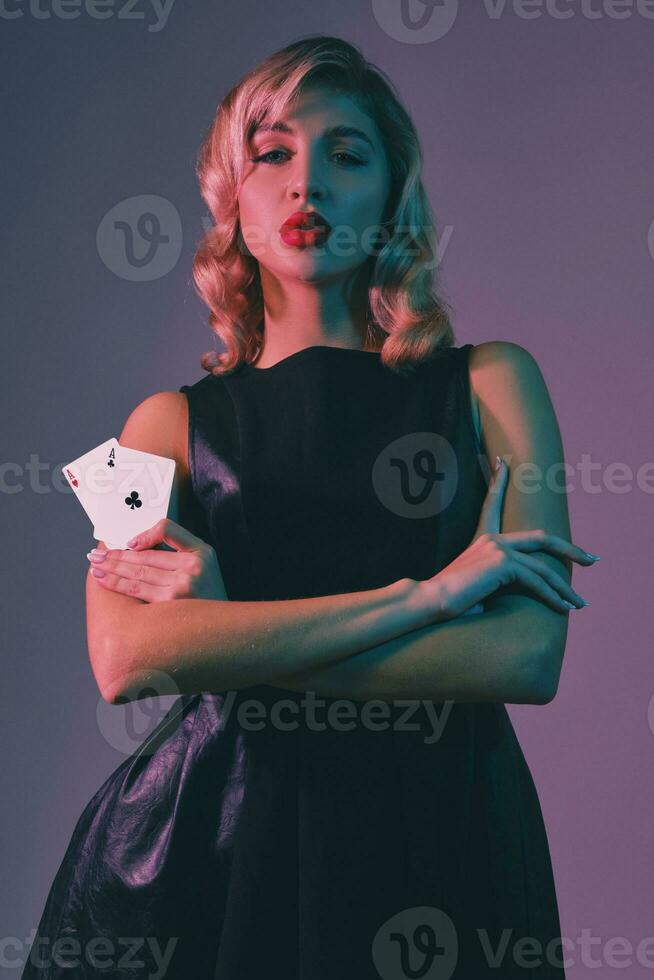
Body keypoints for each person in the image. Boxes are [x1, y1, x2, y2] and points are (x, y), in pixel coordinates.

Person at [23, 34, 598, 980]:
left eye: (347, 154)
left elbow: (527, 658)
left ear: (392, 195)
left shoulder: (497, 384)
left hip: (439, 845)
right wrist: (433, 598)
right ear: (232, 198)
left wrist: (226, 630)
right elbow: (125, 660)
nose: (307, 187)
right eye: (274, 153)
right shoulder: (152, 426)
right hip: (204, 853)